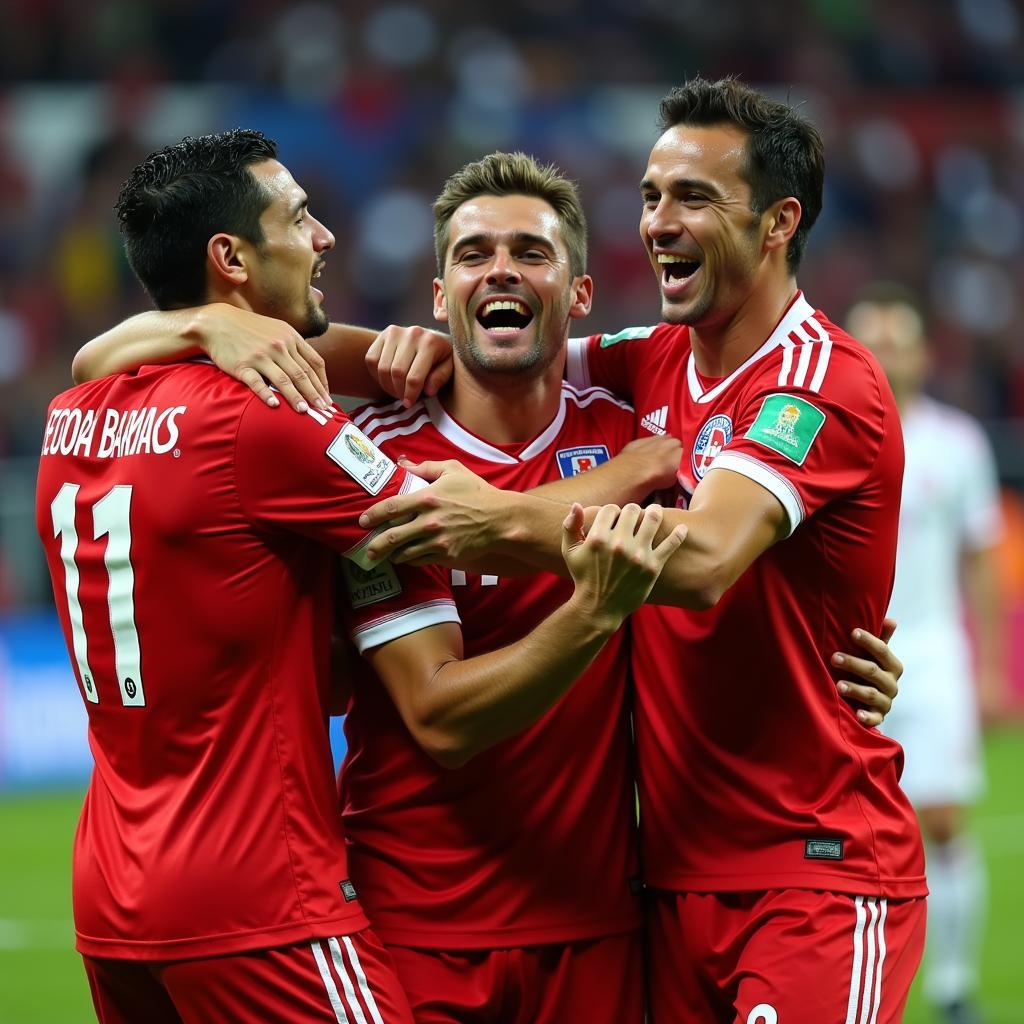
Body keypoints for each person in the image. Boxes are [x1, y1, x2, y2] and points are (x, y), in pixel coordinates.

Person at [71, 147, 905, 1023]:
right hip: (414, 927)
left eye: (531, 254)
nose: (500, 271)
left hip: (604, 928)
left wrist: (851, 655)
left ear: (579, 298)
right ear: (439, 300)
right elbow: (439, 713)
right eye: (472, 255)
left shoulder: (637, 404)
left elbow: (751, 547)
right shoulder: (381, 450)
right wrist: (197, 325)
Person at [36, 129, 685, 1024]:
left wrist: (194, 321)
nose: (326, 237)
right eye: (299, 218)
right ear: (231, 258)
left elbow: (86, 361)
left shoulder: (76, 412)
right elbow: (453, 527)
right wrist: (629, 484)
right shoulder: (300, 429)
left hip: (116, 876)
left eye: (530, 253)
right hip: (272, 888)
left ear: (576, 290)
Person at [345, 77, 929, 1023]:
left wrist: (494, 523)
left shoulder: (814, 381)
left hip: (811, 866)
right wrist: (353, 342)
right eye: (653, 195)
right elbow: (506, 346)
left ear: (779, 222)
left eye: (693, 197)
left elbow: (699, 564)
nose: (659, 221)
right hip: (666, 885)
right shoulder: (647, 362)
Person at [847, 284, 1006, 1024]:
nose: (886, 351)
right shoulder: (826, 434)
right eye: (871, 337)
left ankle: (950, 987)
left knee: (940, 821)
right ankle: (867, 987)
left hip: (934, 653)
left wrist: (992, 663)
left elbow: (980, 558)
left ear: (922, 354)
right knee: (847, 834)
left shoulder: (958, 443)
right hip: (845, 657)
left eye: (898, 338)